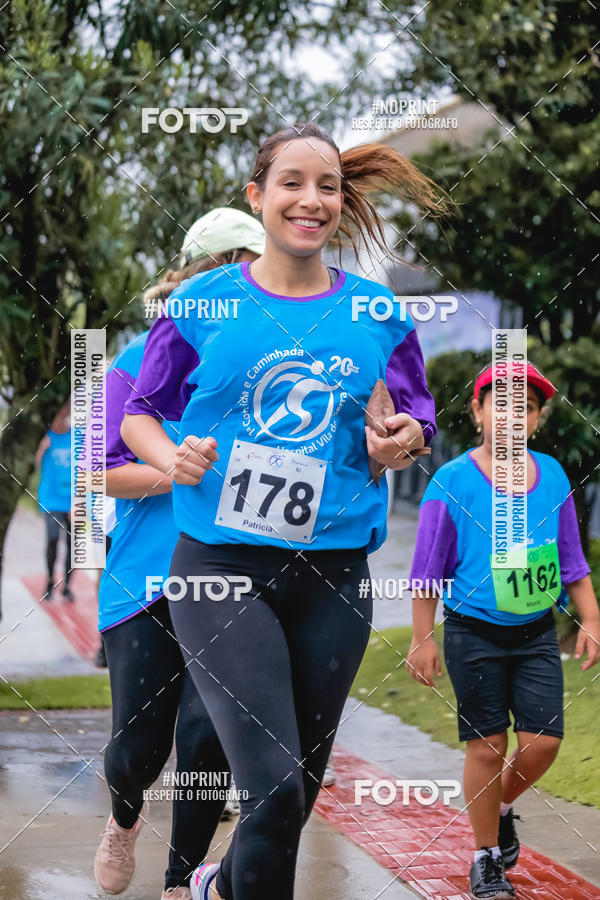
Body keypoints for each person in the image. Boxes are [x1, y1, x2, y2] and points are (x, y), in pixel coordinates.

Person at [121, 122, 444, 900]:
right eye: (292, 183)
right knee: (276, 789)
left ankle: (215, 887)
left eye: (327, 186)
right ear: (257, 197)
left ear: (340, 202)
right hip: (220, 568)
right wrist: (172, 460)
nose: (312, 199)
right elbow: (140, 413)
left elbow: (416, 418)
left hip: (334, 575)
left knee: (294, 792)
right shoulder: (203, 304)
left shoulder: (377, 312)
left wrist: (402, 438)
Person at [93, 208, 265, 900]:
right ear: (187, 283)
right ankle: (123, 820)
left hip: (233, 578)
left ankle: (177, 884)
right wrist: (180, 469)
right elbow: (101, 472)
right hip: (145, 581)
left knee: (206, 738)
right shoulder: (135, 365)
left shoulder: (270, 370)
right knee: (138, 747)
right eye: (221, 271)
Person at [407, 363, 600, 899]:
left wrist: (592, 617)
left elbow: (571, 560)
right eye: (501, 404)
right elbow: (426, 573)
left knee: (541, 744)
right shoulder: (452, 483)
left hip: (536, 634)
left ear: (538, 419)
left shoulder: (555, 477)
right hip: (473, 635)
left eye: (527, 408)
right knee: (488, 748)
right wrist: (423, 639)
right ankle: (486, 857)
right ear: (478, 412)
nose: (513, 417)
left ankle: (502, 807)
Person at [35, 400, 73, 601]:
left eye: (64, 410)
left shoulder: (77, 436)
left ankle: (66, 586)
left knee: (72, 544)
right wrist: (41, 449)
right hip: (50, 499)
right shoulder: (45, 436)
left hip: (73, 500)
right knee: (52, 539)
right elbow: (35, 466)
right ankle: (50, 581)